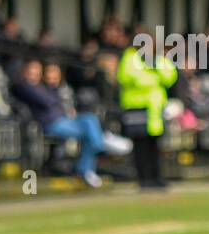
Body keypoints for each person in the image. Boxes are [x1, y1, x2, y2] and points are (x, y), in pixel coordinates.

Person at [10, 58, 129, 187]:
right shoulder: (24, 86)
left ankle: (99, 143)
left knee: (90, 118)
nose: (35, 72)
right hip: (51, 124)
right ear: (25, 71)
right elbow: (47, 101)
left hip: (65, 120)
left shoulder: (46, 87)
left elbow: (57, 102)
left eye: (37, 69)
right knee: (90, 133)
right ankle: (100, 143)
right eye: (32, 69)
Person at [117, 30, 178, 189]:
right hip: (137, 108)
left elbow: (170, 76)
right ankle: (144, 179)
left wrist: (155, 67)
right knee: (140, 146)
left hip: (155, 110)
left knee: (155, 145)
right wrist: (153, 77)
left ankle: (156, 177)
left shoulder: (157, 59)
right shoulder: (130, 57)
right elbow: (129, 77)